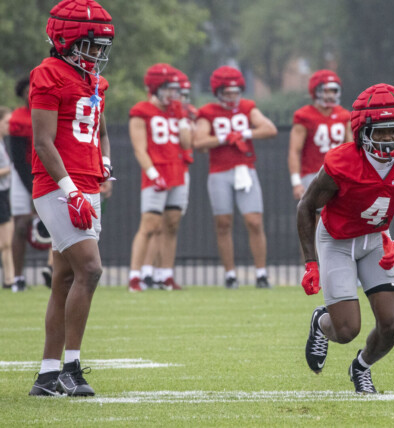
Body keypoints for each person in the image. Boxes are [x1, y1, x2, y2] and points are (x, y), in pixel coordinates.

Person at [299, 83, 394, 393]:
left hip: (376, 238)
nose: (387, 139)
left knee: (391, 324)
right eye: (380, 131)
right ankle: (321, 322)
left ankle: (361, 367)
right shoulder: (340, 163)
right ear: (362, 132)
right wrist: (311, 263)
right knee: (346, 330)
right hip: (337, 239)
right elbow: (306, 206)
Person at [27, 0, 115, 397]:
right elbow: (43, 141)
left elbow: (101, 131)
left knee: (64, 277)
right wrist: (70, 190)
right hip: (58, 185)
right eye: (90, 45)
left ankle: (46, 377)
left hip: (88, 184)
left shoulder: (95, 81)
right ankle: (71, 368)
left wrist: (106, 163)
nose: (96, 54)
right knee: (90, 270)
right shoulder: (47, 74)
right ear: (65, 40)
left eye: (100, 46)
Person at [194, 66, 278, 289]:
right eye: (227, 93)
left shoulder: (247, 107)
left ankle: (261, 274)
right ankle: (230, 275)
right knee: (223, 223)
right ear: (218, 92)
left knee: (254, 221)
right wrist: (224, 137)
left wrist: (243, 134)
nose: (232, 97)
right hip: (219, 171)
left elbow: (270, 129)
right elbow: (199, 142)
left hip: (244, 169)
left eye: (235, 92)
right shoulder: (208, 112)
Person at [127, 64, 191, 292]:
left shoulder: (176, 110)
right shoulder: (141, 110)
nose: (173, 95)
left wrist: (182, 117)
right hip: (157, 172)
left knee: (172, 224)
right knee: (150, 225)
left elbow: (186, 144)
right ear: (155, 88)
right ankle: (135, 276)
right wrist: (153, 174)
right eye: (168, 89)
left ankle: (166, 275)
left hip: (177, 170)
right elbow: (139, 149)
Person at [7, 77, 54, 291]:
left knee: (58, 221)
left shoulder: (50, 114)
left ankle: (55, 271)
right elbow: (17, 159)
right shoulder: (19, 118)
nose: (30, 94)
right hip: (23, 172)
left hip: (48, 170)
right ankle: (18, 277)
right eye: (27, 90)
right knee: (21, 224)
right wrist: (32, 189)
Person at [288, 69, 351, 201]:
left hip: (340, 174)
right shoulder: (304, 116)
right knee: (316, 218)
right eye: (326, 90)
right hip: (313, 174)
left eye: (333, 91)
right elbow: (294, 151)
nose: (330, 95)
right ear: (315, 91)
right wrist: (296, 182)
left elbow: (350, 148)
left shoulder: (344, 115)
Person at [0, 107, 15, 289]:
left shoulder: (3, 143)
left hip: (5, 193)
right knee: (5, 242)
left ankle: (10, 279)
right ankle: (10, 279)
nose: (9, 126)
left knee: (7, 243)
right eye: (6, 122)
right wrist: (9, 169)